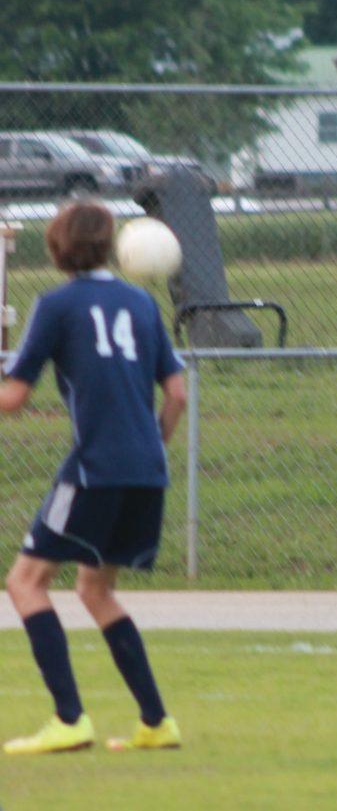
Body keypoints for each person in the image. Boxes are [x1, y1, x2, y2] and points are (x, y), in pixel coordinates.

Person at [1, 201, 186, 754]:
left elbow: (12, 398)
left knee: (25, 583)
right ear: (109, 247)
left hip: (93, 469)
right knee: (96, 589)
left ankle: (69, 719)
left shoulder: (56, 305)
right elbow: (177, 393)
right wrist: (152, 445)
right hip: (146, 470)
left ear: (57, 248)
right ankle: (156, 722)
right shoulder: (142, 302)